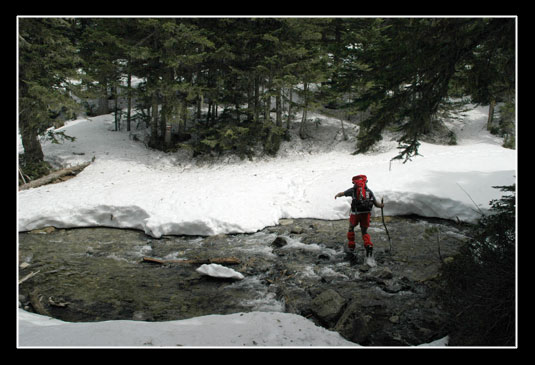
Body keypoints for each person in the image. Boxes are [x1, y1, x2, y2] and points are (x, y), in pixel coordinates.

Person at [335, 175, 384, 257]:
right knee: (364, 231)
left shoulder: (353, 190)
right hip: (366, 214)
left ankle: (351, 246)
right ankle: (368, 245)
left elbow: (342, 194)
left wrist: (337, 195)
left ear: (354, 182)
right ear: (366, 182)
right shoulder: (369, 192)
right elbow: (376, 204)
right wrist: (381, 205)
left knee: (351, 228)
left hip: (355, 214)